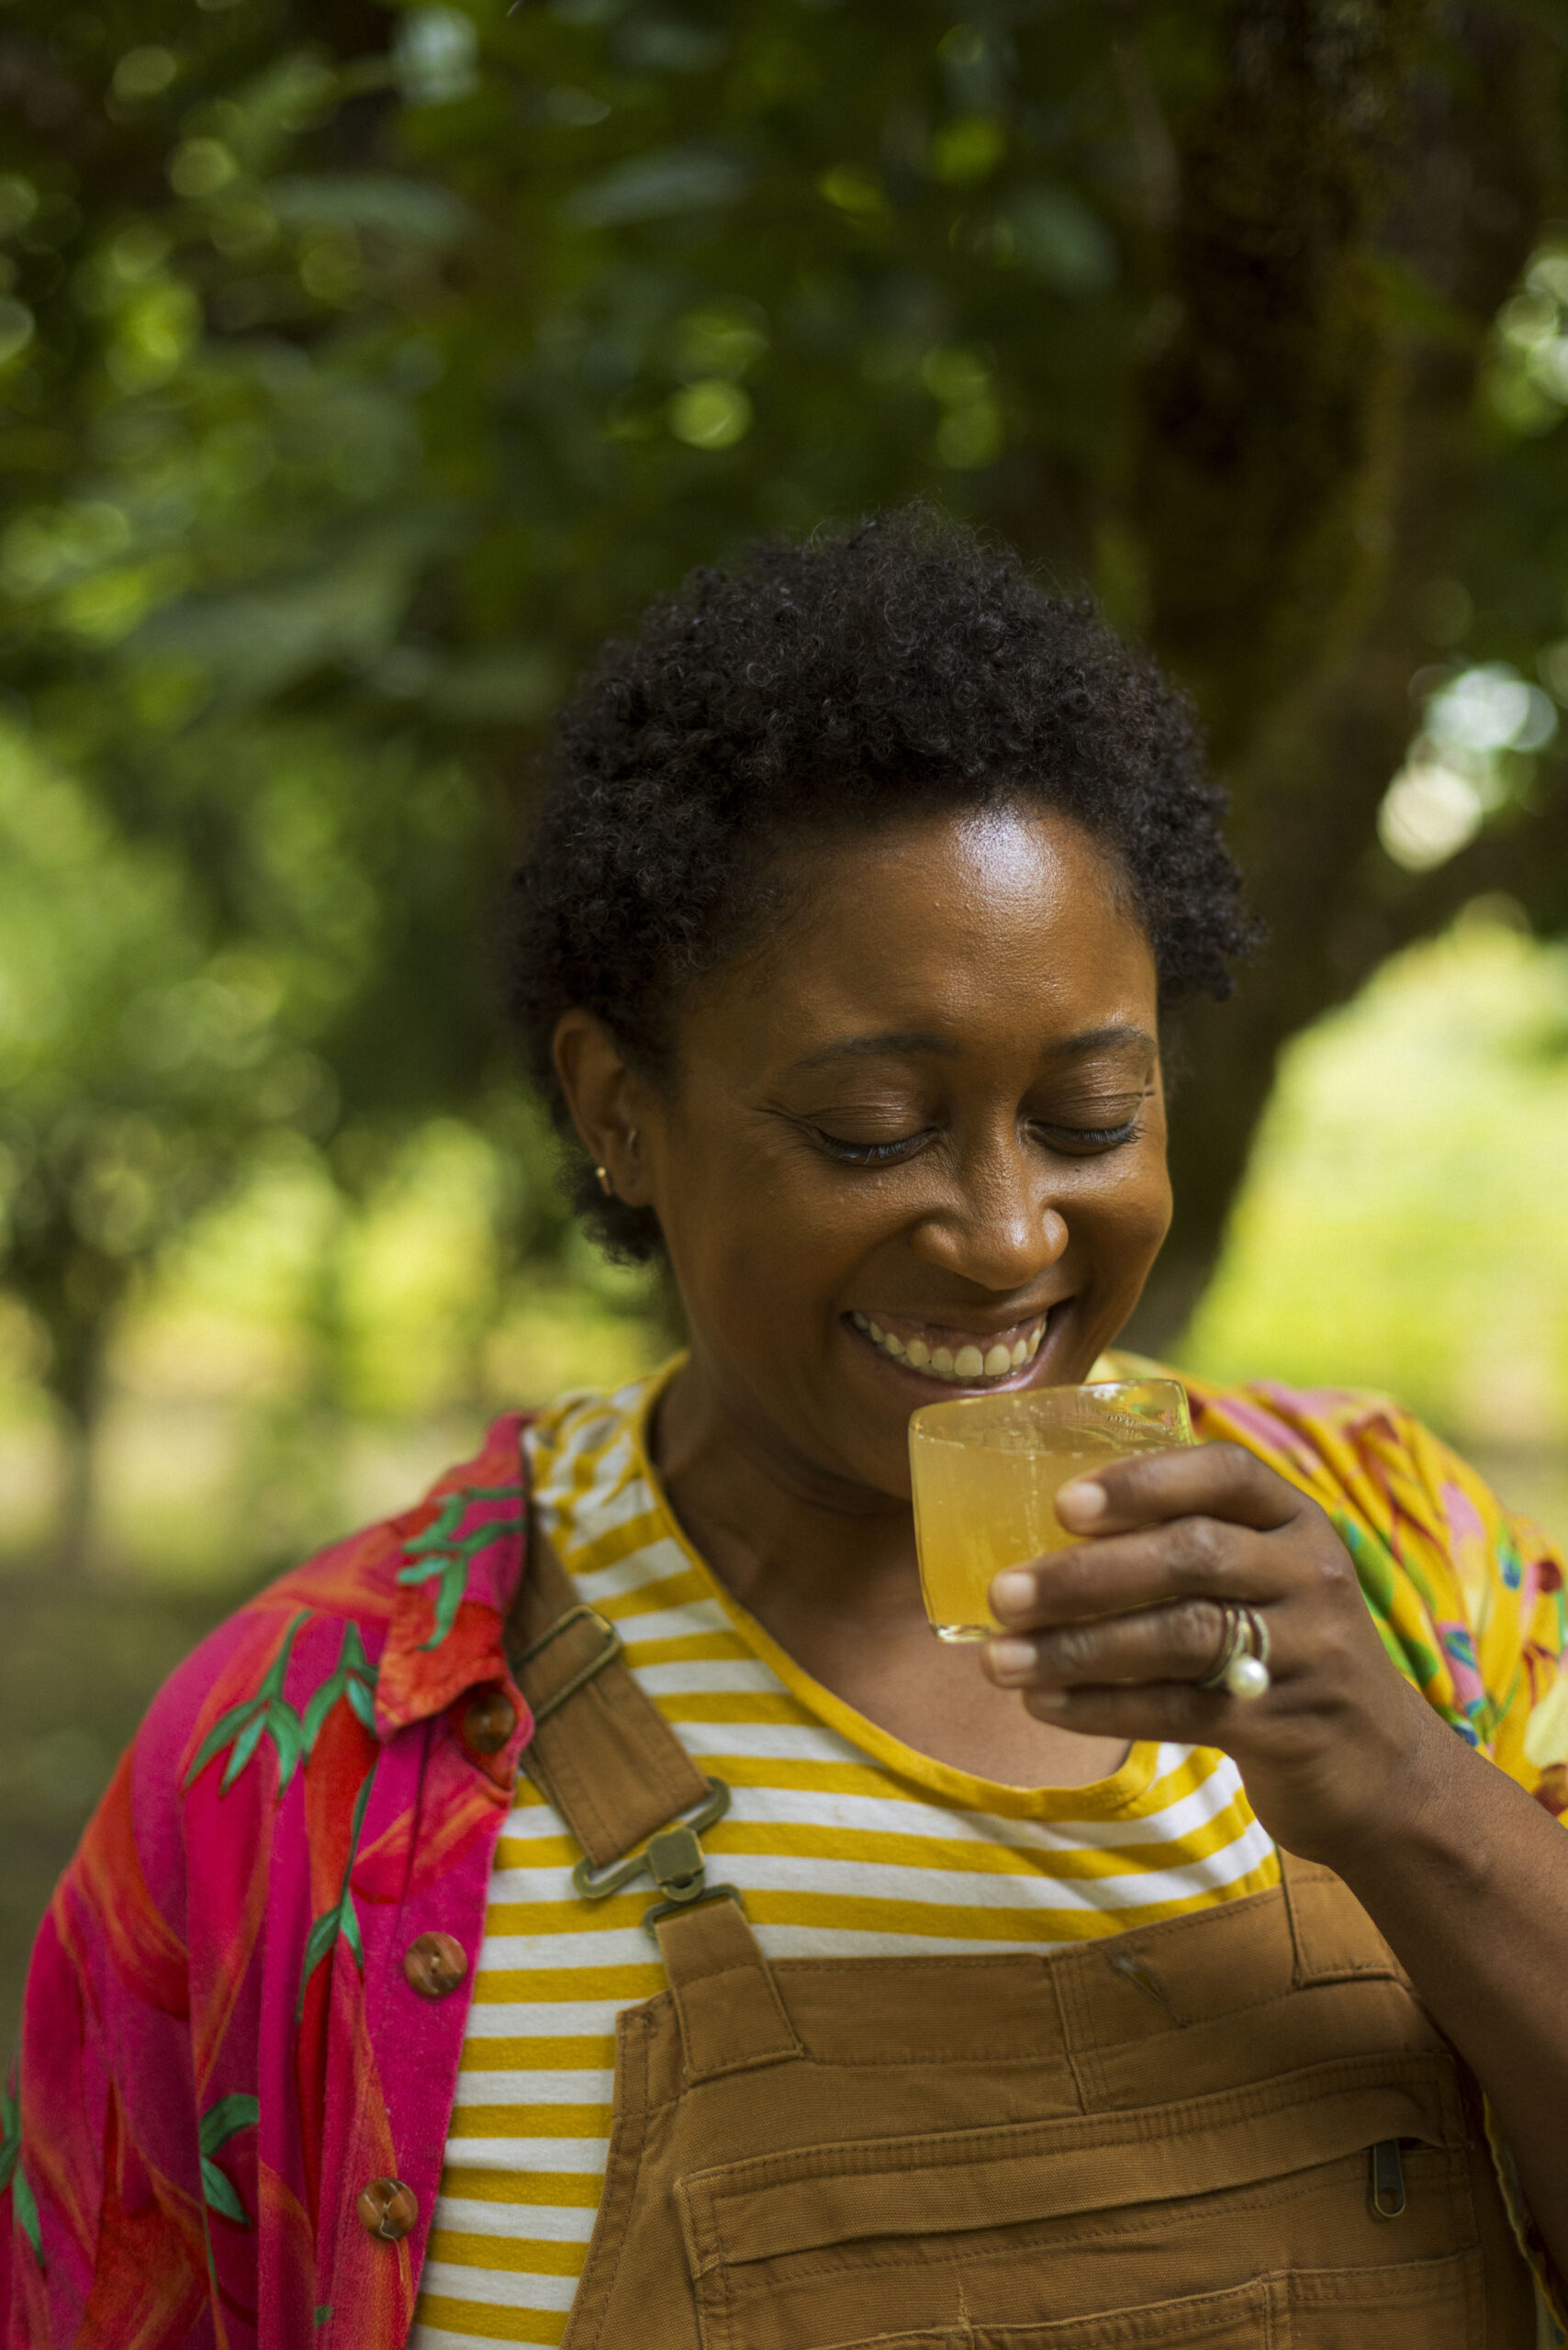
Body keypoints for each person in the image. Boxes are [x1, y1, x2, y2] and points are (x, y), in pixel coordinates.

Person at [4, 509, 1565, 2350]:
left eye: (1083, 1115)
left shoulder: (1402, 1562)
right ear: (618, 1108)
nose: (1001, 1233)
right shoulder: (319, 1749)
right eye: (873, 1127)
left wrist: (1399, 1788)